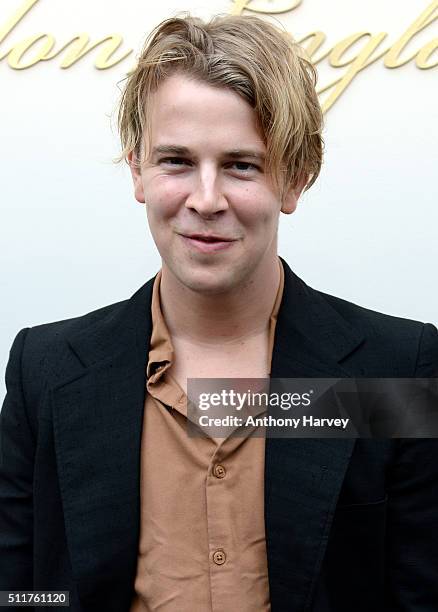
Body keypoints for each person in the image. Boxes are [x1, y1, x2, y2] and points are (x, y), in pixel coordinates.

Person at [1, 13, 438, 612]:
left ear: (296, 178)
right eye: (176, 161)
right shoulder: (45, 371)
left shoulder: (395, 367)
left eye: (241, 165)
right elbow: (21, 592)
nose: (205, 201)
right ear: (137, 169)